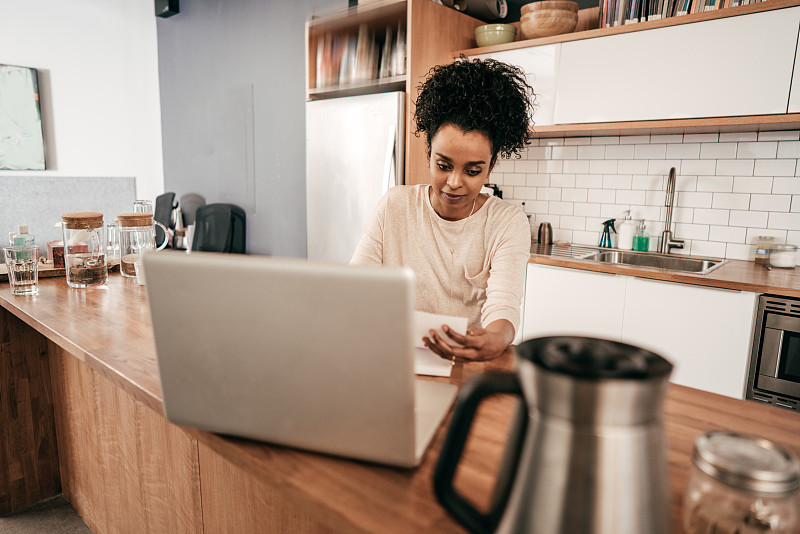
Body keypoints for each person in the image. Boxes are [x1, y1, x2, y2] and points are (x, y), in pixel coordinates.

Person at [350, 57, 535, 363]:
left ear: (490, 169)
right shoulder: (395, 206)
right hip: (393, 358)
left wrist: (496, 337)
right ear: (428, 154)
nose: (454, 183)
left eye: (473, 171)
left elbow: (503, 308)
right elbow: (356, 286)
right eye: (443, 165)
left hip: (466, 363)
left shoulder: (506, 222)